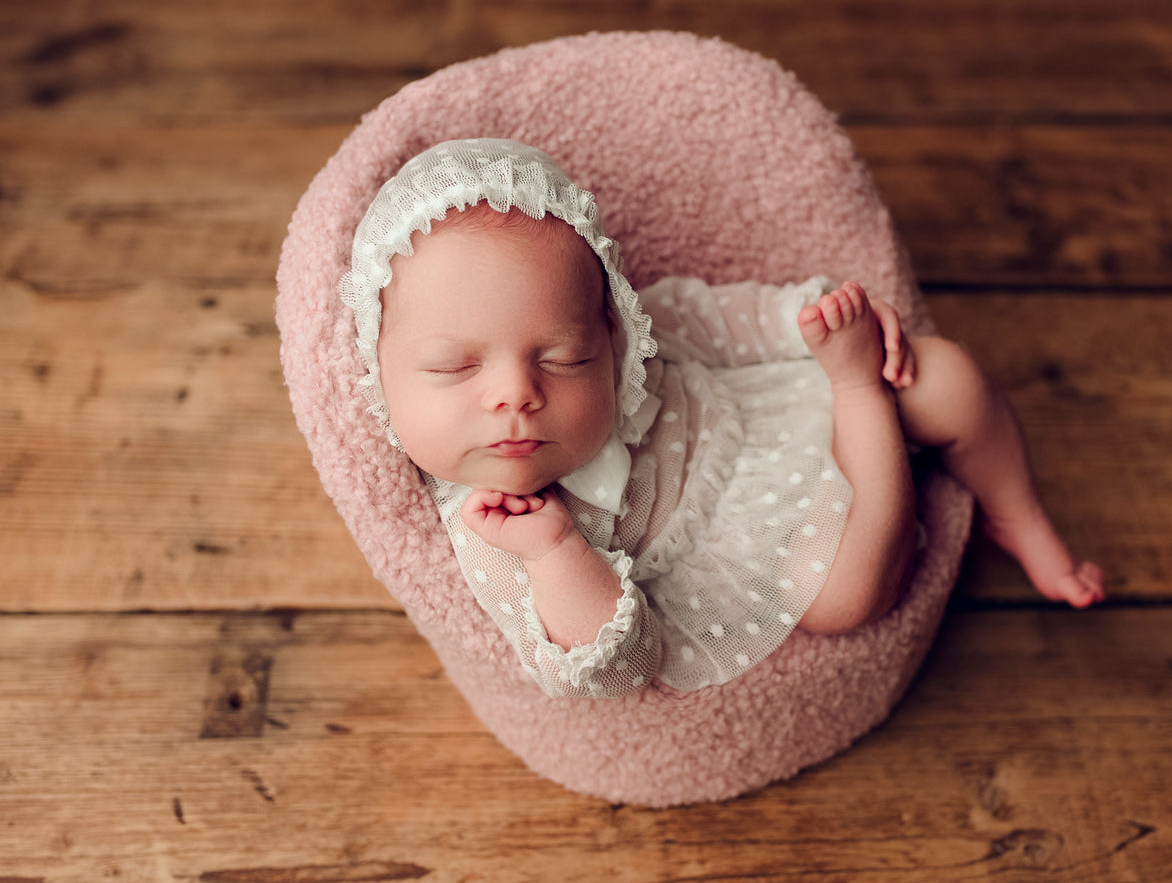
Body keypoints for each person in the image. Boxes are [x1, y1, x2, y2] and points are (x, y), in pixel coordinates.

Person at [341, 139, 1104, 698]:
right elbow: (620, 666)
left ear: (612, 333)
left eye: (564, 356)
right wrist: (553, 553)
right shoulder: (496, 527)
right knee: (846, 598)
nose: (514, 395)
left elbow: (741, 320)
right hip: (744, 532)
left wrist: (823, 319)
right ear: (380, 381)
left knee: (953, 378)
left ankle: (1018, 513)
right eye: (453, 367)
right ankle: (863, 402)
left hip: (772, 413)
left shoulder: (648, 339)